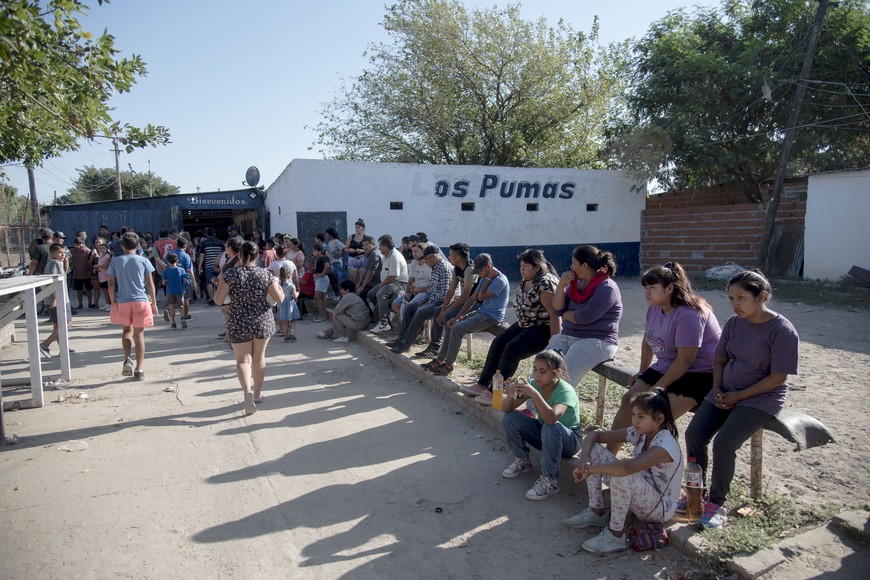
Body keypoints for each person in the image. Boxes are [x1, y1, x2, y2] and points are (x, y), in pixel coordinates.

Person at [685, 270, 799, 530]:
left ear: (762, 297)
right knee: (694, 434)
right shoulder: (734, 323)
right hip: (725, 390)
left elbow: (778, 377)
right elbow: (720, 360)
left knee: (724, 443)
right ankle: (695, 493)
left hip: (760, 398)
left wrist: (740, 396)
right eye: (731, 298)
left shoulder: (782, 330)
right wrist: (716, 389)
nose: (735, 304)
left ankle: (716, 502)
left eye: (741, 298)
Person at [607, 262, 722, 454]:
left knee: (653, 414)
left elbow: (686, 360)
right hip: (667, 365)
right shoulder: (654, 308)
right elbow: (647, 340)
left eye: (652, 288)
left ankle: (644, 469)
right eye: (645, 288)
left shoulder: (689, 314)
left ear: (669, 288)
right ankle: (608, 456)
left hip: (699, 374)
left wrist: (656, 389)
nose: (647, 292)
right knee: (629, 399)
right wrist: (643, 371)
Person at [568, 390, 684, 554]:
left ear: (659, 419)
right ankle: (597, 511)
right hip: (640, 488)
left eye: (641, 417)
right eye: (634, 415)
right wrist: (585, 458)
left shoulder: (665, 445)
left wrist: (590, 470)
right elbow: (594, 435)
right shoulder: (640, 432)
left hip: (659, 507)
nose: (635, 421)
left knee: (622, 475)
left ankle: (615, 535)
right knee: (594, 451)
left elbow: (626, 469)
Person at [461, 248, 560, 405]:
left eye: (525, 266)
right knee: (498, 343)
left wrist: (556, 343)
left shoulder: (545, 283)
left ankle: (495, 392)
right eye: (521, 265)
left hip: (541, 329)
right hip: (524, 324)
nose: (522, 269)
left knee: (511, 350)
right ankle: (482, 385)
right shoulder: (527, 279)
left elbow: (555, 314)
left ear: (537, 267)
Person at [499, 349, 582, 500]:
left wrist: (534, 394)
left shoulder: (565, 391)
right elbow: (506, 409)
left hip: (569, 440)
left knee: (552, 426)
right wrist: (510, 395)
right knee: (510, 419)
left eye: (542, 371)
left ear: (556, 373)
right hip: (546, 432)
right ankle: (523, 460)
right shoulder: (534, 384)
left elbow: (551, 419)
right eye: (535, 369)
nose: (536, 375)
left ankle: (550, 480)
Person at [214, 241, 284, 415]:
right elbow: (279, 298)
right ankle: (258, 394)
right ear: (257, 256)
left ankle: (247, 392)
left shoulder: (231, 275)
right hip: (262, 320)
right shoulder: (266, 274)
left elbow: (217, 299)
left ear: (240, 255)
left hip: (238, 320)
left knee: (242, 360)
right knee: (259, 358)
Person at [547, 245, 622, 388]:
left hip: (596, 340)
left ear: (584, 265)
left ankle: (557, 409)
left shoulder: (607, 287)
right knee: (541, 368)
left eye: (573, 262)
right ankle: (532, 409)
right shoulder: (577, 284)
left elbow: (584, 317)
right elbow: (557, 310)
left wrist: (567, 314)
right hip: (568, 335)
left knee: (563, 378)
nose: (571, 267)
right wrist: (561, 285)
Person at [423, 254, 510, 376]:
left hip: (491, 317)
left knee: (458, 329)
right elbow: (472, 298)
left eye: (480, 270)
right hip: (482, 313)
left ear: (489, 266)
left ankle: (448, 365)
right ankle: (440, 359)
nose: (478, 273)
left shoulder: (499, 280)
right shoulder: (485, 277)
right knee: (452, 324)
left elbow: (481, 296)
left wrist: (488, 279)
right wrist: (457, 316)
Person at [108, 232, 158, 380]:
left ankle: (127, 358)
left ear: (122, 246)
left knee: (126, 331)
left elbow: (111, 284)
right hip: (141, 300)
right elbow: (150, 284)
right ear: (138, 246)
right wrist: (154, 302)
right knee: (139, 334)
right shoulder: (143, 261)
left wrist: (112, 302)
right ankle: (139, 369)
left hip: (122, 301)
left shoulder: (115, 261)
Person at [386, 245, 454, 354]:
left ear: (435, 256)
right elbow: (432, 288)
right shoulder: (435, 267)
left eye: (427, 259)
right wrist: (425, 300)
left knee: (420, 312)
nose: (426, 262)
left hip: (445, 303)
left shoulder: (444, 268)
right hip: (435, 300)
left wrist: (428, 302)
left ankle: (405, 345)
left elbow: (444, 294)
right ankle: (402, 339)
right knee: (409, 307)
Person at [413, 242, 476, 358]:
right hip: (464, 301)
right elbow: (450, 291)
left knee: (448, 317)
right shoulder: (457, 269)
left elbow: (466, 296)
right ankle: (435, 348)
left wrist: (446, 311)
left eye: (450, 255)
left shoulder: (470, 270)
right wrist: (443, 309)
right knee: (438, 311)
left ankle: (448, 354)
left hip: (474, 303)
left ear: (458, 257)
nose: (448, 257)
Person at [38, 243, 73, 357]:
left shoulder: (57, 263)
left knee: (58, 325)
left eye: (64, 252)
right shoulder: (55, 264)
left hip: (59, 298)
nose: (62, 255)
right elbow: (54, 283)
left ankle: (63, 348)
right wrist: (55, 299)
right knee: (66, 323)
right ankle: (45, 344)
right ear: (52, 253)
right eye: (59, 253)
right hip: (59, 299)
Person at [368, 234, 408, 333]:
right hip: (389, 281)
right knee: (370, 294)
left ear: (386, 246)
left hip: (399, 282)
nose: (379, 248)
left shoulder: (395, 256)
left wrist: (382, 285)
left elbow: (393, 275)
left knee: (380, 293)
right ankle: (385, 313)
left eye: (380, 245)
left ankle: (383, 323)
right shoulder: (386, 255)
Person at [166, 237, 197, 322]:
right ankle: (185, 316)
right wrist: (194, 282)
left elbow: (165, 265)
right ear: (185, 246)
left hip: (172, 280)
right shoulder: (186, 256)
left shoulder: (170, 253)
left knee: (172, 299)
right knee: (186, 298)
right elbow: (190, 270)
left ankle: (171, 313)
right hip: (184, 280)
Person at [161, 253, 189, 330]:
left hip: (170, 291)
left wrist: (167, 282)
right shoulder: (181, 270)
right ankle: (183, 317)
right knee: (181, 306)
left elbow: (163, 282)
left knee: (171, 306)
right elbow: (184, 280)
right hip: (179, 290)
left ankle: (173, 322)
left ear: (167, 261)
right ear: (177, 260)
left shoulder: (166, 271)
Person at [197, 227, 224, 305]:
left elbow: (202, 255)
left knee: (209, 283)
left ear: (206, 234)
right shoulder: (220, 243)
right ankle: (220, 299)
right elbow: (223, 254)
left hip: (208, 265)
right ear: (214, 234)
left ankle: (212, 299)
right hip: (218, 266)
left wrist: (199, 266)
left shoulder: (204, 243)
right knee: (219, 281)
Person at [69, 236, 95, 309]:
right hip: (77, 274)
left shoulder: (88, 251)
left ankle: (90, 303)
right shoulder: (71, 251)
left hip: (87, 273)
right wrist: (71, 267)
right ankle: (80, 304)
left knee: (89, 289)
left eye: (80, 244)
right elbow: (68, 260)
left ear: (83, 244)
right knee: (79, 290)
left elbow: (92, 261)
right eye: (77, 244)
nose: (79, 246)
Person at [276, 266, 300, 341]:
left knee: (284, 320)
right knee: (293, 318)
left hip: (282, 303)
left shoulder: (279, 285)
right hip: (290, 303)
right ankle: (292, 331)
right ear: (289, 276)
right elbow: (295, 295)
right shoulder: (291, 285)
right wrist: (298, 292)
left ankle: (286, 336)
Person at [311, 244, 331, 322]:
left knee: (317, 296)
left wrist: (322, 273)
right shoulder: (318, 259)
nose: (313, 252)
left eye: (314, 251)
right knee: (322, 297)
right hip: (319, 279)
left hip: (322, 279)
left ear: (319, 251)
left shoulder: (322, 258)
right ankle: (323, 313)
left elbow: (327, 266)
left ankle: (321, 315)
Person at [344, 219, 367, 285]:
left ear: (363, 228)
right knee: (353, 280)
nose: (357, 229)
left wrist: (362, 251)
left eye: (359, 227)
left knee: (362, 279)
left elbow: (371, 250)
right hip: (352, 259)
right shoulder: (351, 237)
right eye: (356, 227)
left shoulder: (366, 238)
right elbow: (345, 249)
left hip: (362, 259)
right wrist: (349, 250)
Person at [325, 228, 345, 296]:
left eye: (327, 234)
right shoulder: (330, 242)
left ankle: (339, 294)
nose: (326, 236)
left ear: (331, 235)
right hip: (331, 263)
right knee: (332, 279)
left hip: (336, 263)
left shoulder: (336, 241)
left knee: (336, 279)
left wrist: (340, 255)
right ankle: (336, 293)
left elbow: (344, 248)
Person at [95, 239, 112, 311]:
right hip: (101, 276)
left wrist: (98, 266)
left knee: (108, 291)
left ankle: (111, 304)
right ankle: (107, 304)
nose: (102, 249)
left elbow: (107, 266)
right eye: (101, 248)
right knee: (104, 291)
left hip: (106, 276)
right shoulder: (100, 256)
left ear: (107, 249)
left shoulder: (107, 256)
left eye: (104, 248)